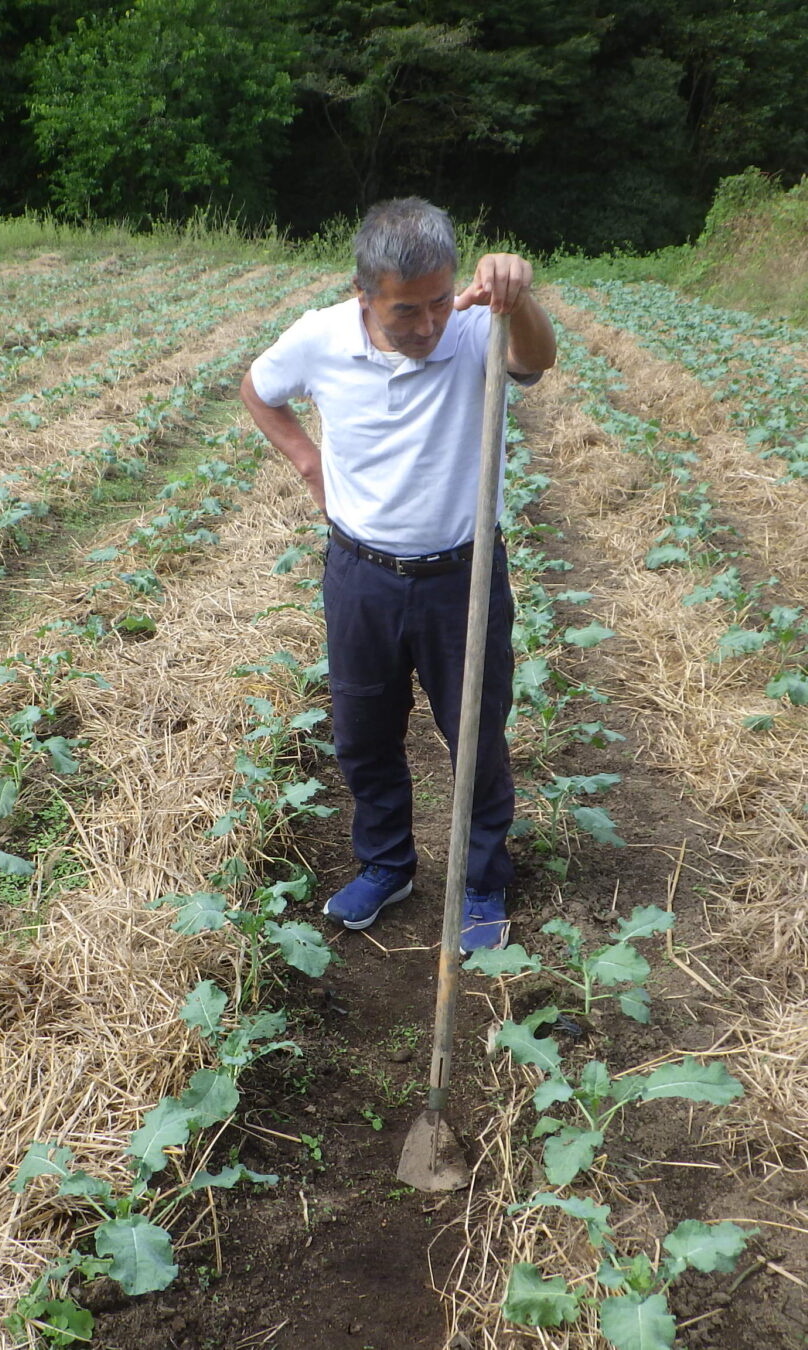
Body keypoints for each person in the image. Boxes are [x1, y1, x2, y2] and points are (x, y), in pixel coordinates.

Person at [240, 197, 557, 954]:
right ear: (363, 297)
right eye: (405, 312)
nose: (428, 326)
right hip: (361, 576)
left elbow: (537, 360)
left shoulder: (480, 324)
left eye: (440, 302)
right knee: (362, 732)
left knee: (474, 733)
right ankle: (387, 864)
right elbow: (259, 388)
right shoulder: (319, 339)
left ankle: (481, 879)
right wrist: (307, 461)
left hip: (463, 574)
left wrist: (519, 296)